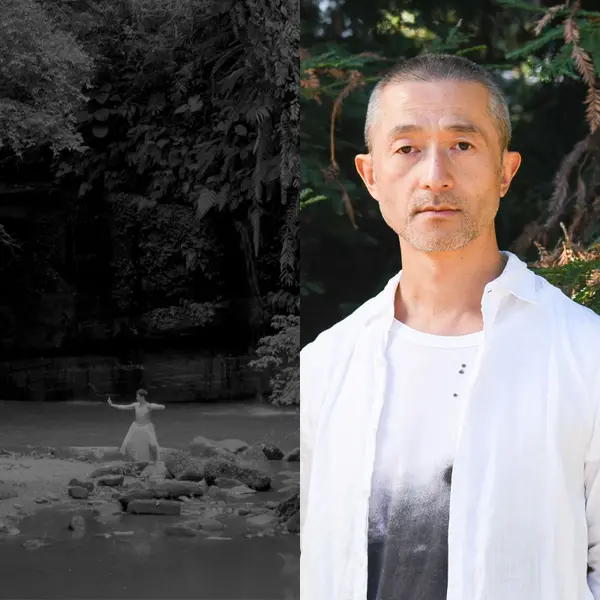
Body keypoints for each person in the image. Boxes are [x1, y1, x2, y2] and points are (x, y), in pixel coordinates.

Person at [300, 53, 600, 600]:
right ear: (370, 175)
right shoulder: (325, 366)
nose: (435, 177)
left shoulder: (586, 355)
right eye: (407, 148)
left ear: (505, 172)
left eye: (463, 145)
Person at [107, 388, 165, 463]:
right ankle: (133, 459)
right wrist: (112, 405)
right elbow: (124, 407)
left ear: (142, 397)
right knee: (128, 443)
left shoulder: (149, 405)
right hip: (136, 427)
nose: (136, 398)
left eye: (137, 396)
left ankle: (155, 461)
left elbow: (163, 407)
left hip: (146, 427)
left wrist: (153, 407)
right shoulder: (135, 405)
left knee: (152, 444)